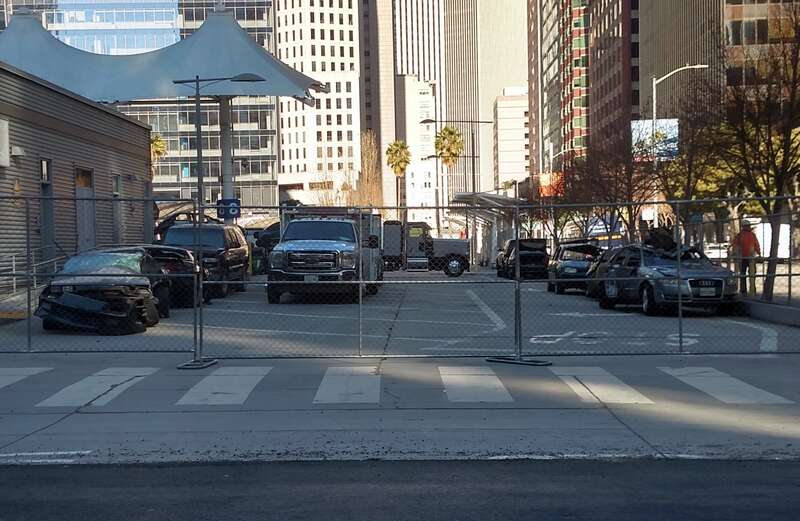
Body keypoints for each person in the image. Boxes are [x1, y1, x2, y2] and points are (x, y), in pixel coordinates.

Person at [730, 221, 761, 296]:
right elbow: (756, 245)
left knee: (742, 275)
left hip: (742, 258)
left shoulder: (739, 235)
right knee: (752, 275)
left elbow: (734, 245)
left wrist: (733, 254)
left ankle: (743, 291)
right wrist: (759, 253)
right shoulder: (752, 235)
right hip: (750, 258)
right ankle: (752, 291)